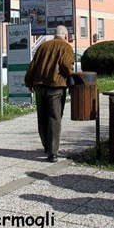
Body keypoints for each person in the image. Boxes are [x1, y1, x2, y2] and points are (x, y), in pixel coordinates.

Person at [24, 25, 75, 162]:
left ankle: (46, 145)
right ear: (65, 35)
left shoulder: (43, 46)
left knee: (42, 116)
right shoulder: (66, 47)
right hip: (56, 86)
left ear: (54, 34)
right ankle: (52, 152)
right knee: (54, 118)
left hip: (39, 85)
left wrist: (29, 82)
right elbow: (66, 65)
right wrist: (71, 74)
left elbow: (33, 65)